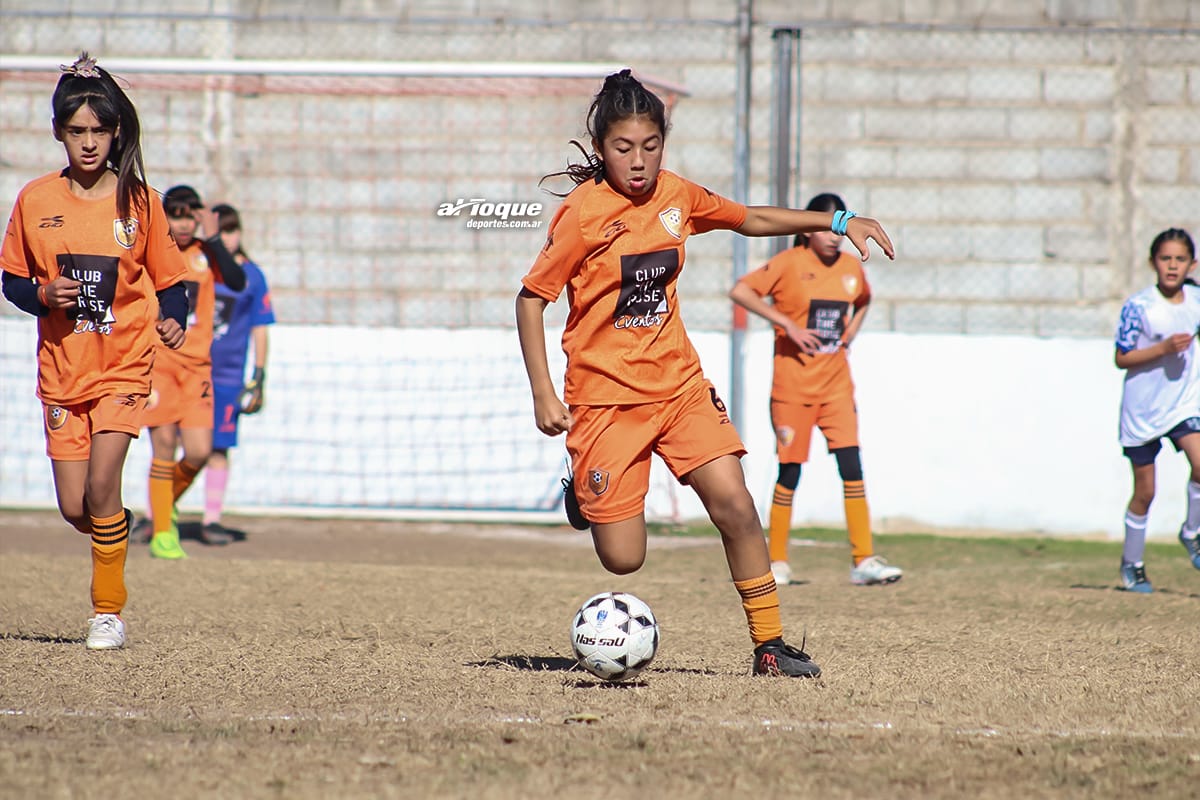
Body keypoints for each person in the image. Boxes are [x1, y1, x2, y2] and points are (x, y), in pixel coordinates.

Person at [515, 70, 894, 678]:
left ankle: (769, 647)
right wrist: (543, 391)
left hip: (680, 389)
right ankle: (581, 487)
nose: (638, 162)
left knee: (736, 509)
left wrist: (838, 223)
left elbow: (750, 219)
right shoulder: (582, 215)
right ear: (601, 145)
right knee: (623, 560)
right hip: (607, 401)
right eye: (622, 148)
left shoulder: (677, 196)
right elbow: (531, 298)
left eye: (650, 146)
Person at [0, 52, 189, 649]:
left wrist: (176, 318)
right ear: (59, 131)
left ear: (116, 132)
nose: (88, 144)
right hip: (62, 374)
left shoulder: (141, 203)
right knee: (76, 507)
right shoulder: (34, 201)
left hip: (124, 368)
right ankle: (113, 528)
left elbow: (172, 281)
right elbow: (9, 279)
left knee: (103, 488)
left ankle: (107, 611)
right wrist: (41, 293)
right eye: (77, 131)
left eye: (99, 131)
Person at [729, 192, 904, 588]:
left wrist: (850, 336)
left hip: (836, 387)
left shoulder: (850, 268)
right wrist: (787, 325)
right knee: (789, 471)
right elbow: (741, 290)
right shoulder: (789, 263)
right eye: (828, 225)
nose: (835, 235)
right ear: (809, 229)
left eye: (841, 225)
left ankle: (864, 560)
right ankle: (777, 561)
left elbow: (863, 300)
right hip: (793, 388)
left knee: (852, 467)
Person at [136, 184, 245, 558]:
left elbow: (237, 281)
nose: (182, 224)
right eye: (175, 215)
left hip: (197, 367)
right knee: (163, 447)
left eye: (188, 216)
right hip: (159, 365)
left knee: (198, 452)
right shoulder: (152, 252)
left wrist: (212, 238)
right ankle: (163, 532)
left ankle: (164, 506)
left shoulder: (206, 254)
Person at [1114, 227, 1200, 592]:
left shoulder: (1196, 298)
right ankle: (1132, 564)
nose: (1172, 266)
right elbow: (1122, 357)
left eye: (1180, 259)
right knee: (1145, 491)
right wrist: (1162, 349)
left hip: (1183, 404)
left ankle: (1192, 532)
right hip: (1143, 411)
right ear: (1153, 262)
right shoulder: (1139, 307)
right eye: (1165, 258)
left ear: (1191, 264)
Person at [201, 202, 275, 543]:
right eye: (221, 230)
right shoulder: (199, 266)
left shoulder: (252, 276)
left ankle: (211, 520)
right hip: (189, 372)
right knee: (171, 444)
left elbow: (261, 327)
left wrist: (258, 376)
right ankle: (159, 517)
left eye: (232, 230)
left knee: (218, 449)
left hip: (228, 378)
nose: (227, 238)